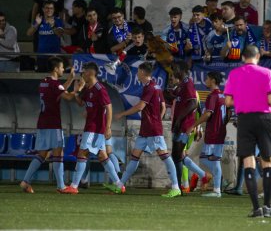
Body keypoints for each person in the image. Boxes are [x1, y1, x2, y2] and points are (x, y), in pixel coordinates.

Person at [106, 62, 181, 197]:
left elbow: (140, 107)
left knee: (164, 156)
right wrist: (157, 118)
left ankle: (176, 187)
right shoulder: (156, 86)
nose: (137, 74)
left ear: (143, 73)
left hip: (152, 129)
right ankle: (119, 185)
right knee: (135, 157)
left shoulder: (150, 88)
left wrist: (122, 114)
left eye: (138, 71)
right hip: (146, 129)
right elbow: (163, 106)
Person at [224, 45, 271, 218]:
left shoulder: (234, 74)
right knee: (267, 160)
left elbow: (228, 102)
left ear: (242, 58)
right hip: (263, 118)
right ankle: (268, 206)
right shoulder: (267, 72)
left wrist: (243, 97)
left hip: (244, 120)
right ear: (258, 56)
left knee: (248, 161)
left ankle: (256, 208)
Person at [61, 61, 125, 194]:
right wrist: (77, 91)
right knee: (103, 157)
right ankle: (119, 184)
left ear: (90, 73)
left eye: (84, 71)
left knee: (82, 153)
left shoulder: (99, 89)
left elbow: (109, 107)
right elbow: (80, 103)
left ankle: (74, 186)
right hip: (92, 127)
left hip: (94, 128)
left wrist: (108, 127)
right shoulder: (88, 88)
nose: (82, 74)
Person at [19, 57, 78, 193]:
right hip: (53, 123)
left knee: (42, 154)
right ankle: (61, 186)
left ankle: (25, 182)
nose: (63, 69)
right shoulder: (54, 85)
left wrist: (70, 78)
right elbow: (67, 97)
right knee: (58, 153)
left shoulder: (44, 82)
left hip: (42, 123)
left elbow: (59, 91)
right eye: (62, 67)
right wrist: (78, 89)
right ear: (56, 69)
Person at [169, 60, 212, 194]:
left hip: (185, 126)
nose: (172, 74)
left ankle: (179, 186)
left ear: (180, 71)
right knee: (178, 155)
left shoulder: (188, 84)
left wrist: (181, 120)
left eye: (174, 70)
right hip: (180, 125)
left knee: (176, 155)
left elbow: (194, 104)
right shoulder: (182, 85)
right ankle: (200, 177)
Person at [187, 72, 229, 197]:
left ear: (213, 80)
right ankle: (218, 186)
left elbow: (207, 114)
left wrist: (193, 125)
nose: (205, 80)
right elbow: (229, 114)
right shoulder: (223, 96)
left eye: (207, 78)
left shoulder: (213, 96)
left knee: (207, 159)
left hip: (213, 132)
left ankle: (217, 182)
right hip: (220, 131)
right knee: (213, 159)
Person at [27, 2, 64, 72]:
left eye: (51, 8)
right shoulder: (39, 20)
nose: (49, 10)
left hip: (54, 56)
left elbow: (60, 34)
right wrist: (37, 24)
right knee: (41, 79)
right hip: (41, 56)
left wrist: (53, 25)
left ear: (53, 10)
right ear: (43, 9)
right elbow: (29, 33)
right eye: (47, 8)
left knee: (53, 78)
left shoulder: (58, 21)